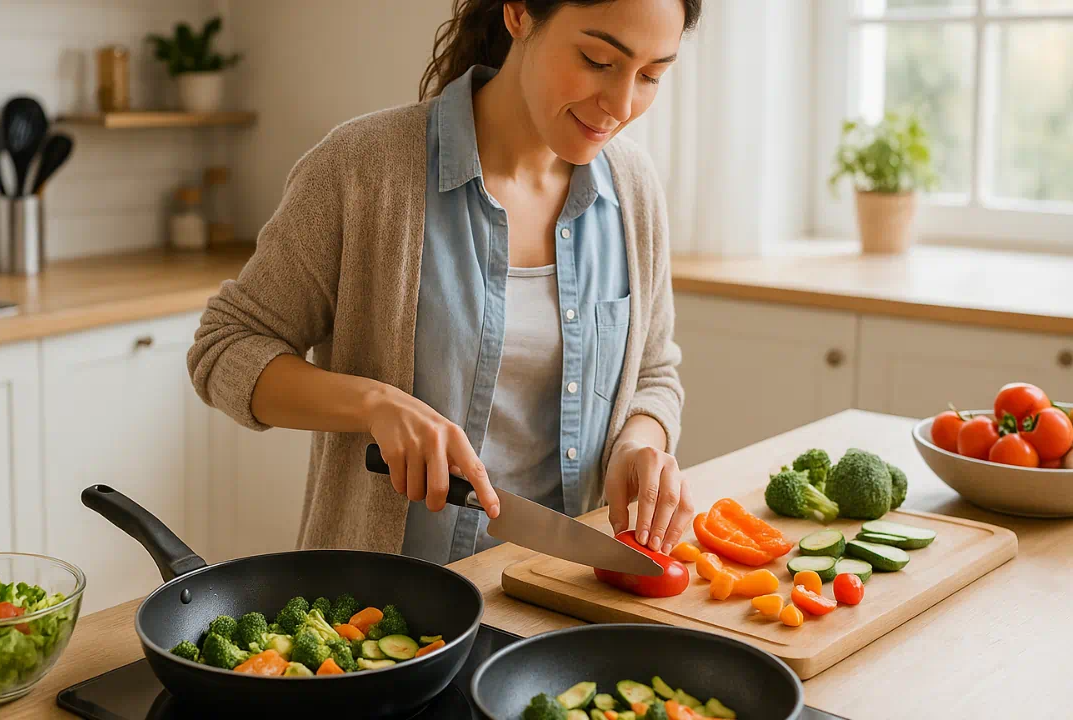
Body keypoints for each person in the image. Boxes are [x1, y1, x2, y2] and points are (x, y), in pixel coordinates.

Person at [187, 0, 703, 566]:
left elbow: (653, 372)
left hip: (563, 598)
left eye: (652, 74)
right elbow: (225, 349)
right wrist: (374, 404)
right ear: (519, 16)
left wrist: (638, 443)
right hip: (379, 616)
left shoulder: (633, 188)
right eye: (598, 59)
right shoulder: (364, 168)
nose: (623, 105)